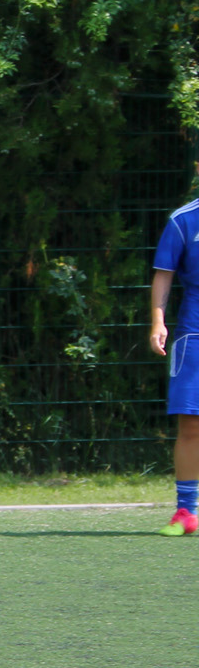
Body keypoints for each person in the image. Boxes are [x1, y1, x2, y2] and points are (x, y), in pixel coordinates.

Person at [150, 196, 199, 535]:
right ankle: (186, 512)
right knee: (191, 425)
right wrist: (158, 321)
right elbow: (163, 274)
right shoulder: (183, 220)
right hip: (194, 336)